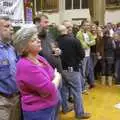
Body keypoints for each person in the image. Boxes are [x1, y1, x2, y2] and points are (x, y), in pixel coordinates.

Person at [13, 24, 61, 120]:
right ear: (24, 47)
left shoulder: (39, 58)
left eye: (37, 38)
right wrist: (57, 78)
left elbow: (49, 84)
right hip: (38, 111)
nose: (39, 40)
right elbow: (49, 89)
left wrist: (51, 84)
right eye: (33, 40)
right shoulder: (25, 66)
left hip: (50, 106)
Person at [57, 25, 91, 119]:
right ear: (67, 30)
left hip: (60, 71)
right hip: (72, 70)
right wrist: (76, 61)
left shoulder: (55, 42)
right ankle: (79, 113)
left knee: (63, 91)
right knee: (77, 92)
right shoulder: (74, 40)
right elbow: (82, 54)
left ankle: (65, 108)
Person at [0, 15, 21, 120]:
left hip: (16, 98)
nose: (11, 29)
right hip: (2, 101)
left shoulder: (11, 49)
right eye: (7, 26)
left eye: (11, 26)